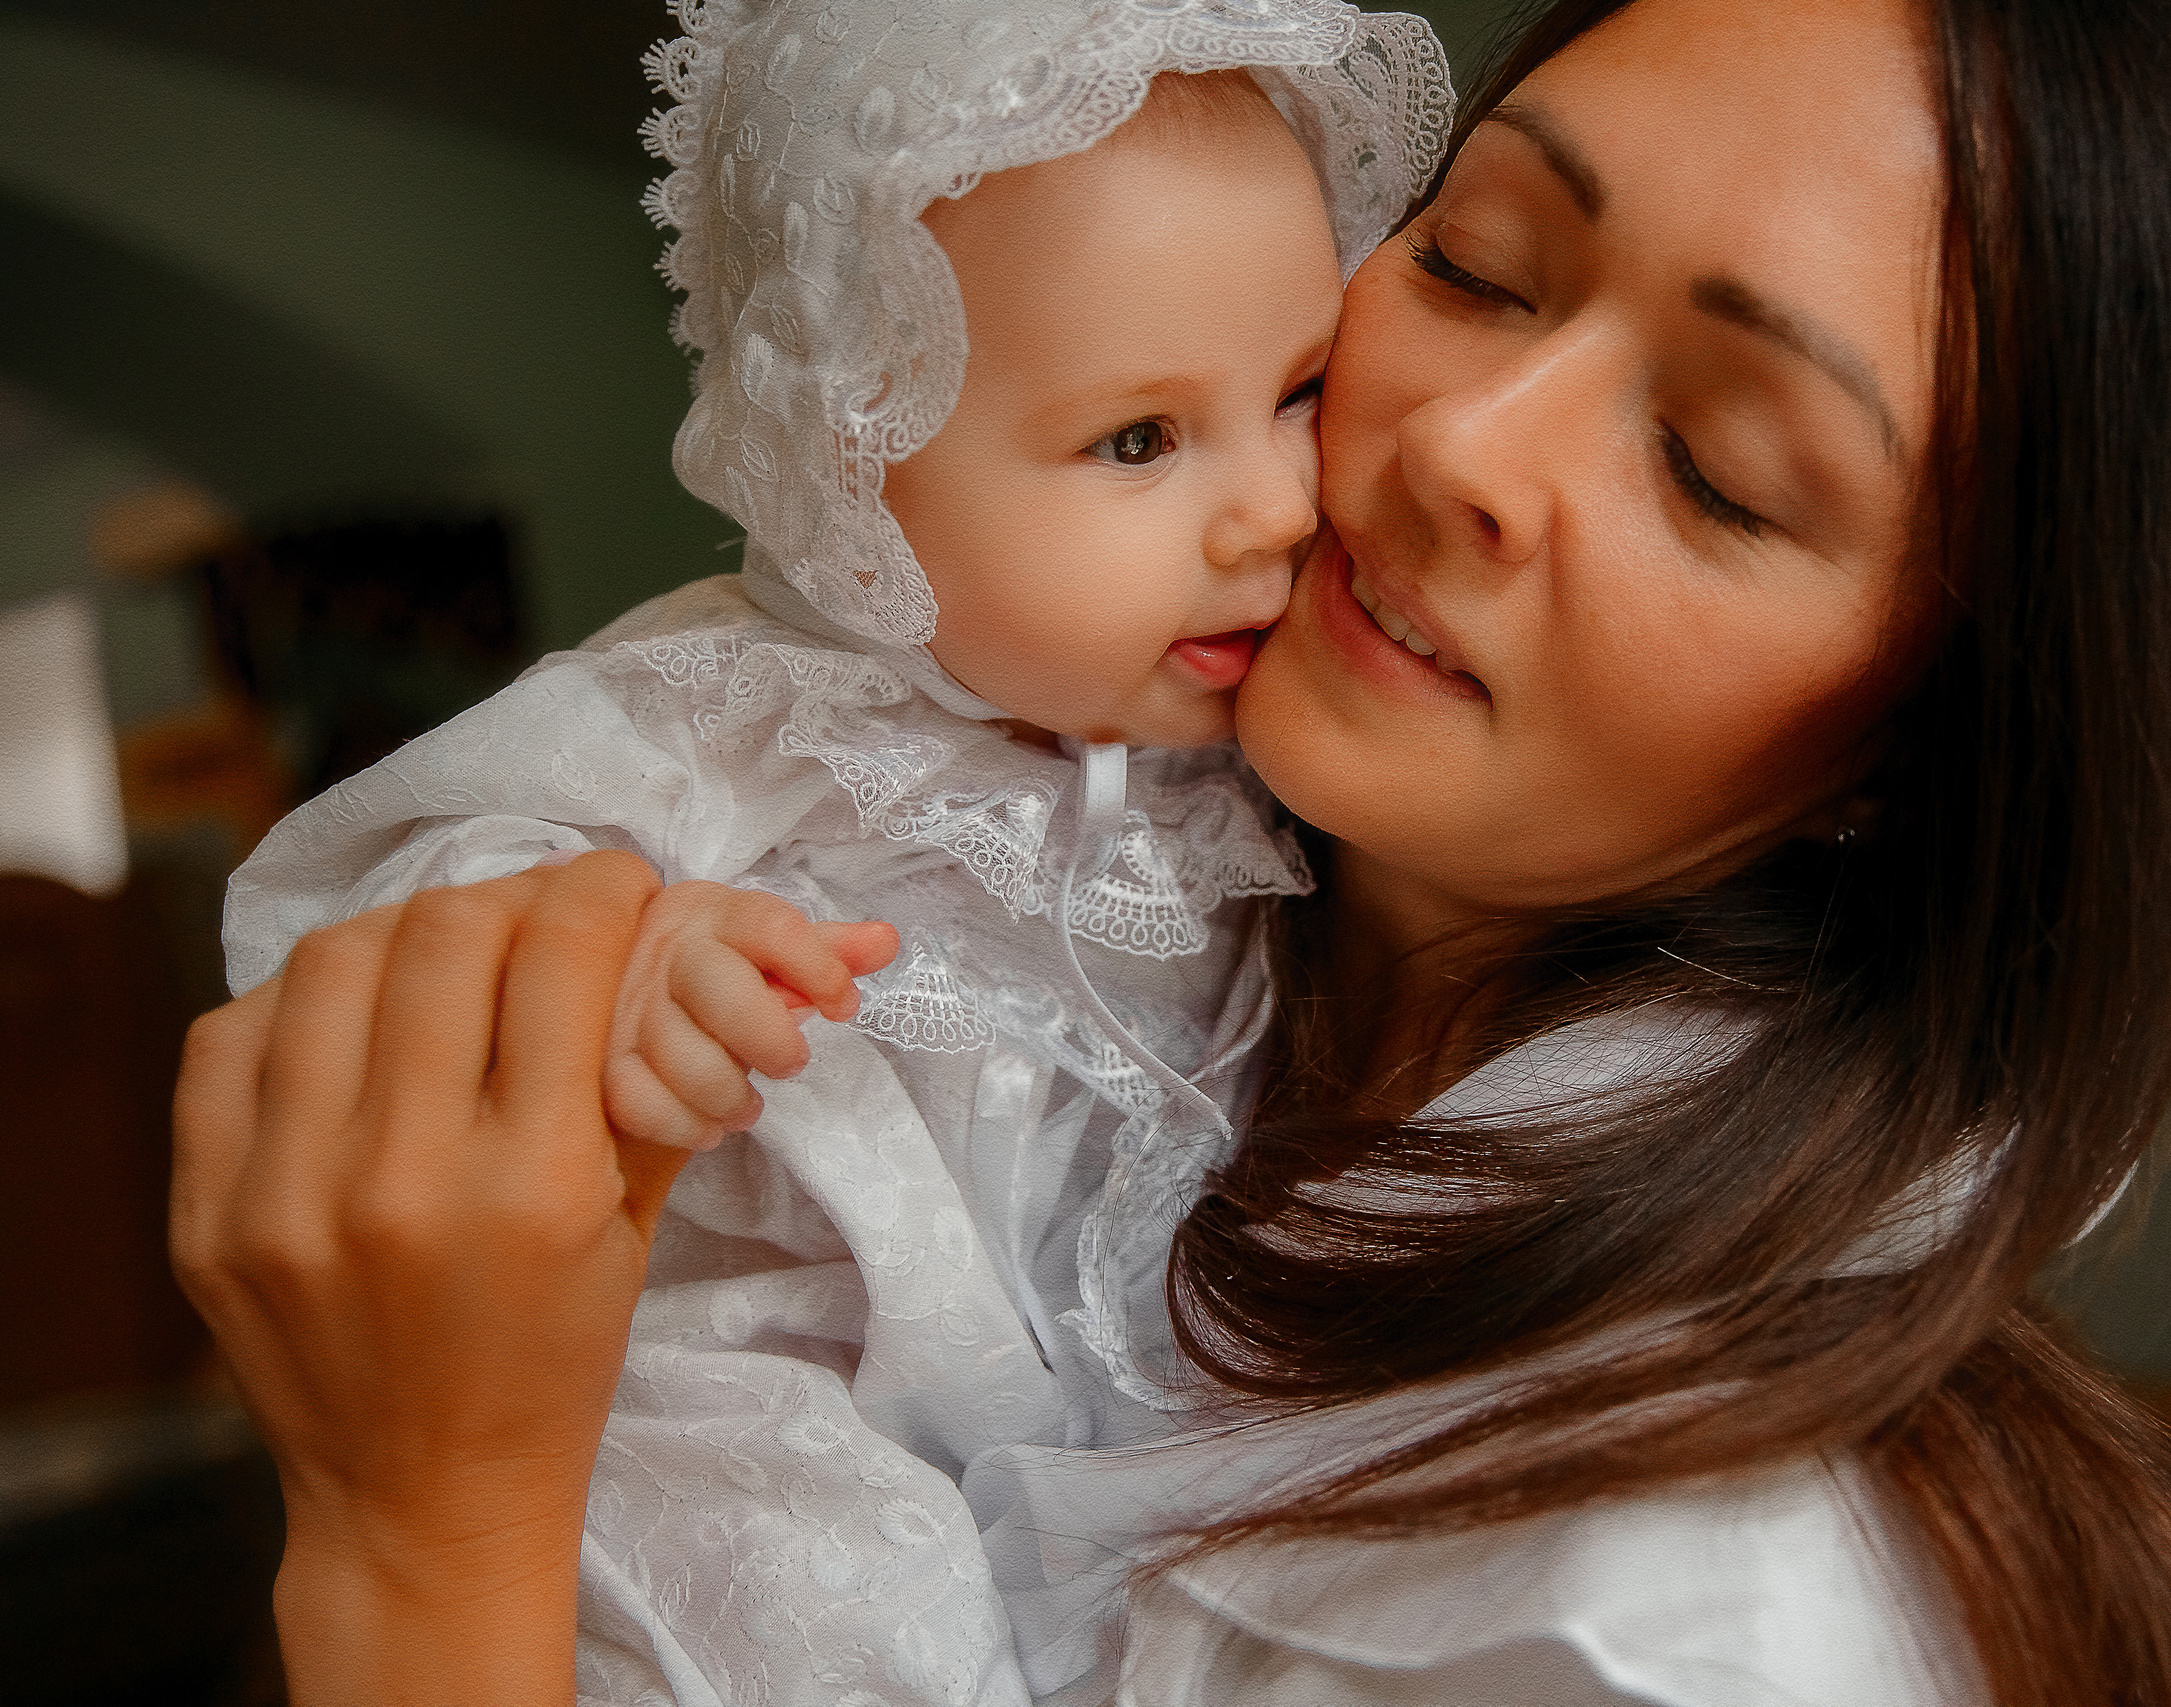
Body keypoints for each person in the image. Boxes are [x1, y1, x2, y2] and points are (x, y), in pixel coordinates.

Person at [171, 0, 2171, 1702]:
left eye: (1716, 466)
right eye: (1478, 264)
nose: (1452, 440)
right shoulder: (1046, 841)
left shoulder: (1665, 1610)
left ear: (1923, 748)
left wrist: (422, 1553)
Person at [217, 3, 1448, 1700]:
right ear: (855, 462)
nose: (1280, 508)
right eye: (1139, 440)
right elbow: (395, 921)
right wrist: (616, 955)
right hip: (767, 1408)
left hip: (1098, 1415)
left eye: (1300, 393)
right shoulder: (740, 711)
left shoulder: (1243, 743)